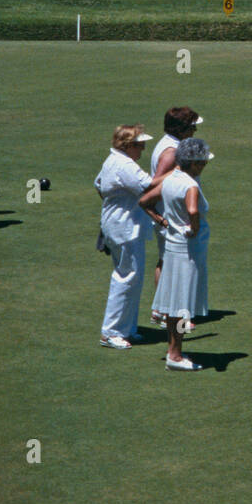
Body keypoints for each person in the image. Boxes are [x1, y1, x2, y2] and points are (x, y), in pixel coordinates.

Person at [141, 137, 213, 372]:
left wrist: (163, 221)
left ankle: (174, 350)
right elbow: (193, 210)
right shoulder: (190, 184)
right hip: (187, 251)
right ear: (194, 163)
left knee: (174, 305)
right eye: (202, 163)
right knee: (183, 306)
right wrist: (193, 228)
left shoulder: (171, 179)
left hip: (172, 247)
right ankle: (176, 354)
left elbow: (145, 201)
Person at [95, 125, 169, 350]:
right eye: (140, 145)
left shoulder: (113, 160)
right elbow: (148, 185)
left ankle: (126, 329)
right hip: (124, 228)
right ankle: (110, 332)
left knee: (132, 277)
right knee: (126, 277)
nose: (144, 149)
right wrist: (177, 172)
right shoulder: (125, 165)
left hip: (119, 225)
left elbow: (98, 185)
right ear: (127, 146)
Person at [149, 107, 203, 324]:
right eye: (191, 127)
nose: (195, 130)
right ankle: (168, 313)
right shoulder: (172, 151)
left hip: (169, 213)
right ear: (181, 129)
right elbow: (156, 182)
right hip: (171, 215)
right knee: (174, 264)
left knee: (166, 261)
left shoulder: (172, 145)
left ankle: (161, 310)